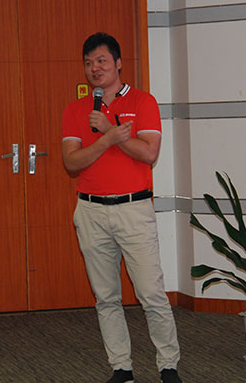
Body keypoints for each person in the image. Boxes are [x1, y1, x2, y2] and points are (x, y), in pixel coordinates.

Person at [61, 32, 182, 383]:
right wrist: (108, 139)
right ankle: (121, 367)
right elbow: (72, 162)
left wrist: (112, 131)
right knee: (106, 297)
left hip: (133, 209)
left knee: (151, 293)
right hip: (91, 211)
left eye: (101, 61)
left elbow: (149, 153)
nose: (94, 68)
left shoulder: (143, 102)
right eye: (88, 63)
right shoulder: (76, 109)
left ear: (117, 63)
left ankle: (168, 365)